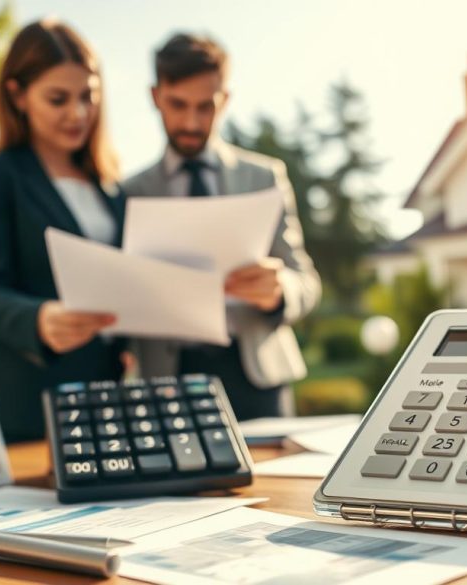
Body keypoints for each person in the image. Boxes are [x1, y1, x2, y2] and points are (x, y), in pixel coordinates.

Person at [122, 33, 321, 420]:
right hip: (168, 379)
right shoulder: (129, 192)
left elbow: (306, 280)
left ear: (225, 100)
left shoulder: (264, 177)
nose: (191, 122)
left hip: (256, 375)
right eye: (178, 105)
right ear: (155, 96)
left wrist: (280, 291)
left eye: (205, 107)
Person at [0, 19, 124, 442]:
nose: (78, 114)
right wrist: (38, 319)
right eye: (58, 99)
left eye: (87, 97)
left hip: (108, 397)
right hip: (30, 401)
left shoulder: (110, 187)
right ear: (17, 95)